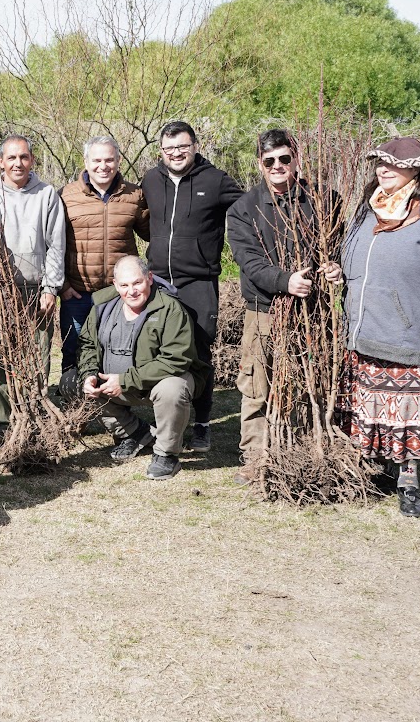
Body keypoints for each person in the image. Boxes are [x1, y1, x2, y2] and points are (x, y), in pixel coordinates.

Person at [338, 137, 420, 518]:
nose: (383, 170)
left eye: (393, 165)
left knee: (409, 414)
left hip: (408, 333)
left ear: (416, 168)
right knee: (376, 409)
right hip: (365, 330)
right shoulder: (368, 209)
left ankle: (408, 482)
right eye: (380, 163)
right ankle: (378, 469)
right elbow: (351, 259)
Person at [226, 130, 342, 483]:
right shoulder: (243, 209)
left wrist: (337, 267)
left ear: (296, 158)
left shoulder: (324, 200)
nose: (278, 166)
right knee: (257, 385)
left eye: (284, 159)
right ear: (259, 164)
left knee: (312, 381)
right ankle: (256, 458)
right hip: (264, 310)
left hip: (314, 312)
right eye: (269, 161)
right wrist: (285, 281)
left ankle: (307, 446)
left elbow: (338, 246)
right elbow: (249, 261)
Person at [141, 121, 243, 453]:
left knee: (199, 354)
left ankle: (201, 424)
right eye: (169, 148)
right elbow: (146, 220)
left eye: (182, 147)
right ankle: (166, 424)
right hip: (158, 281)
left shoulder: (214, 180)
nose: (176, 154)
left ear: (195, 145)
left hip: (199, 282)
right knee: (158, 352)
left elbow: (248, 206)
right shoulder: (151, 180)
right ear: (161, 151)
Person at [0, 135, 66, 448]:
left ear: (32, 160)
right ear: (0, 162)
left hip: (36, 288)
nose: (17, 163)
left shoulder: (47, 195)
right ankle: (3, 423)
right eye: (11, 158)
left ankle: (36, 420)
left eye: (23, 157)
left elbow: (56, 245)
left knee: (36, 358)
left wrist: (51, 287)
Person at [75, 257, 206, 480]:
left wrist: (125, 380)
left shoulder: (170, 309)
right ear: (115, 284)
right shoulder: (101, 306)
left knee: (173, 389)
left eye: (137, 283)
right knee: (73, 383)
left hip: (154, 385)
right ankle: (136, 433)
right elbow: (88, 344)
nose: (131, 291)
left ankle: (166, 454)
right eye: (124, 285)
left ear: (150, 279)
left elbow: (175, 359)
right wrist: (89, 375)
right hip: (116, 385)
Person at [59, 135, 150, 374]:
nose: (103, 166)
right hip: (77, 292)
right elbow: (53, 244)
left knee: (117, 350)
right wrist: (64, 285)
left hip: (117, 294)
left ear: (118, 161)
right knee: (74, 350)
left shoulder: (134, 196)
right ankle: (75, 407)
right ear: (86, 162)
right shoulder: (66, 196)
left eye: (109, 160)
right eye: (97, 160)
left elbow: (155, 235)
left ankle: (117, 408)